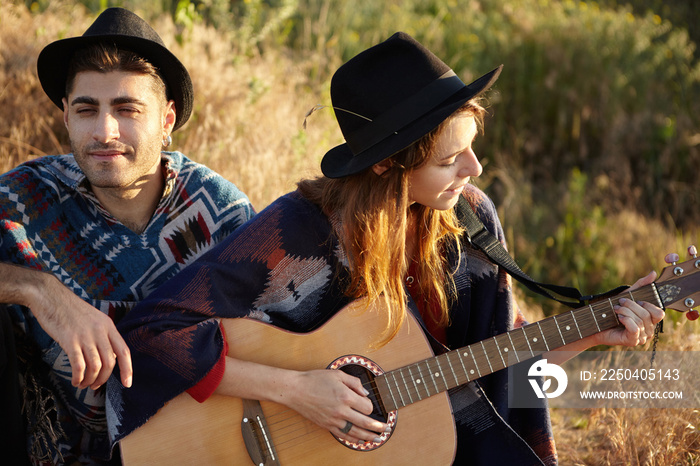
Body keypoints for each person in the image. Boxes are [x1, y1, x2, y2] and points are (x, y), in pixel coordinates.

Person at [109, 32, 664, 464]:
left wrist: (593, 332)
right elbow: (154, 334)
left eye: (472, 150)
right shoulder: (298, 232)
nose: (473, 171)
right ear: (385, 164)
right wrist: (298, 389)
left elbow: (500, 374)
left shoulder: (468, 223)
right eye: (450, 160)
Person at [0, 8, 254, 464]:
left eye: (126, 109)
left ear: (166, 120)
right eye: (86, 109)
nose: (104, 132)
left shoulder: (221, 215)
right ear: (65, 115)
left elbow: (278, 341)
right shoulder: (24, 199)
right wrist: (39, 290)